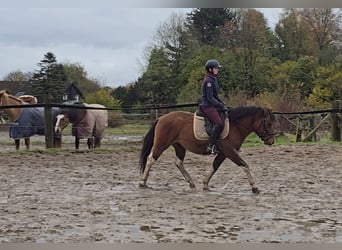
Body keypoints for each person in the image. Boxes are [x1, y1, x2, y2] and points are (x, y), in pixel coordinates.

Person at [199, 59, 225, 154]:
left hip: (213, 105)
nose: (217, 69)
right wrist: (218, 104)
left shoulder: (214, 79)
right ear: (210, 69)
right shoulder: (209, 81)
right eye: (216, 68)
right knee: (219, 123)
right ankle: (211, 145)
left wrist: (222, 103)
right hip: (207, 106)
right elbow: (210, 97)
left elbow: (216, 95)